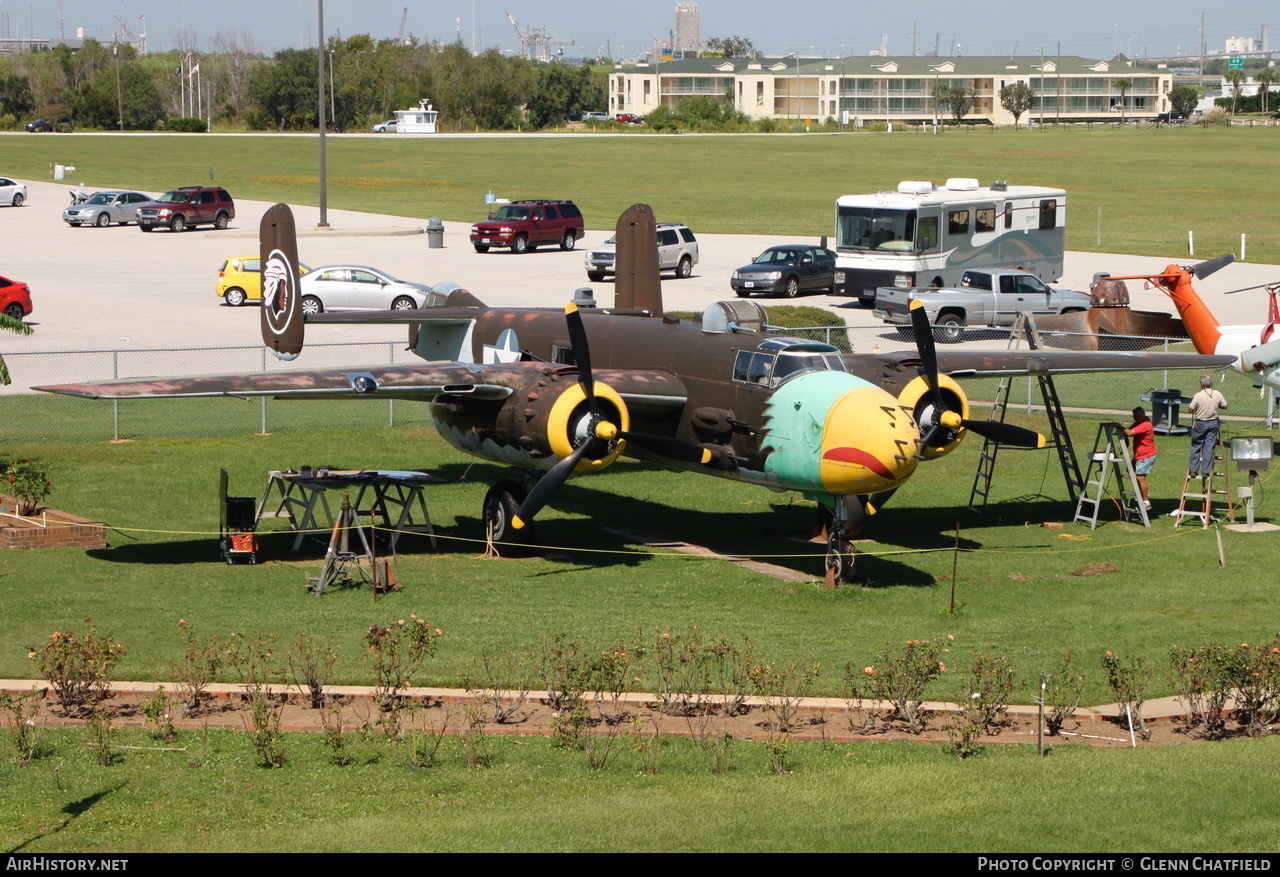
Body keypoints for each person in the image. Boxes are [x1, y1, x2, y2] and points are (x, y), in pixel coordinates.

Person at [1188, 374, 1228, 477]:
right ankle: (1206, 471)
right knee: (1209, 447)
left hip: (1200, 423)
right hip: (1212, 423)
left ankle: (1193, 470)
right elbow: (1225, 406)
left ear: (1202, 383)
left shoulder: (1198, 395)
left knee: (1196, 446)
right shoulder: (1217, 394)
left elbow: (1191, 409)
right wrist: (1215, 405)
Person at [1124, 406, 1156, 510]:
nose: (1135, 419)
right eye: (1134, 417)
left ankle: (1146, 502)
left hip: (1146, 455)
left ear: (1142, 415)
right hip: (1139, 455)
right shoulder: (1139, 422)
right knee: (1131, 472)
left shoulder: (1145, 424)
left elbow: (1130, 432)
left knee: (1140, 478)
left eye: (1136, 417)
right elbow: (1129, 430)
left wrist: (1119, 427)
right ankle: (1141, 495)